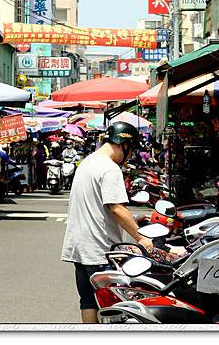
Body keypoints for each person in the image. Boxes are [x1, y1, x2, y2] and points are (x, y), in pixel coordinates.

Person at [61, 122, 153, 324]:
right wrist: (141, 237)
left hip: (80, 247)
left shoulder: (88, 162)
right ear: (124, 145)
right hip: (99, 250)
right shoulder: (110, 169)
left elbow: (96, 205)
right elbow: (117, 208)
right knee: (113, 306)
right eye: (131, 150)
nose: (129, 157)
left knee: (87, 301)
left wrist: (133, 220)